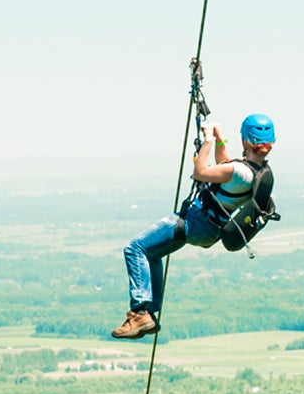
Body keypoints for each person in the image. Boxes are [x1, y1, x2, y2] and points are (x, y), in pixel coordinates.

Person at [111, 113, 276, 340]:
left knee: (135, 248)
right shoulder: (254, 172)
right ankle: (148, 314)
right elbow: (225, 165)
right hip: (210, 229)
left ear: (246, 140)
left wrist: (207, 141)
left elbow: (202, 172)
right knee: (153, 254)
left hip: (195, 221)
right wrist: (219, 139)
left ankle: (140, 313)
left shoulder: (238, 171)